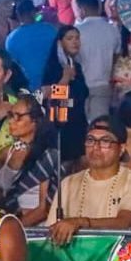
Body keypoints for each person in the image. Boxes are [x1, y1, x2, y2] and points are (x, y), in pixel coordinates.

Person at [49, 117, 131, 245]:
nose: (96, 147)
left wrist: (79, 222)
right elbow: (52, 229)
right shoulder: (68, 183)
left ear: (121, 148)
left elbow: (124, 222)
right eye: (90, 140)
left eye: (105, 141)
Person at [0, 94, 61, 227]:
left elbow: (45, 209)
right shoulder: (4, 153)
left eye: (18, 117)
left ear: (35, 121)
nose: (11, 121)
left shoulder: (48, 156)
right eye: (10, 115)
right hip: (5, 224)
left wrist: (12, 229)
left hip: (36, 232)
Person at [40, 26, 90, 163]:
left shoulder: (76, 66)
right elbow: (49, 98)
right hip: (62, 126)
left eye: (77, 38)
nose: (75, 42)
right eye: (69, 38)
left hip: (78, 122)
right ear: (60, 42)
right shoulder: (54, 67)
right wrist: (65, 80)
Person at [72, 0, 119, 119]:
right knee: (99, 126)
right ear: (98, 7)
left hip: (81, 86)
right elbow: (116, 59)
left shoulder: (76, 32)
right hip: (103, 85)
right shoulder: (113, 30)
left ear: (82, 10)